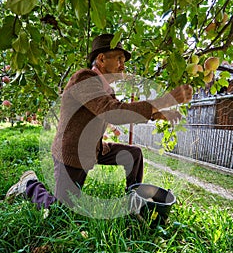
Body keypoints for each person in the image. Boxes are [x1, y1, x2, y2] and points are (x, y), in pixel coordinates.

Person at [6, 34, 192, 210]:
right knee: (60, 211)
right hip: (71, 152)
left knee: (134, 154)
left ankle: (134, 201)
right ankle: (30, 185)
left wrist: (155, 115)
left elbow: (114, 107)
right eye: (119, 59)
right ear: (101, 59)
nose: (122, 66)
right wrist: (166, 100)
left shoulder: (106, 89)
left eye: (124, 62)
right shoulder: (84, 79)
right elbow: (113, 112)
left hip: (93, 148)